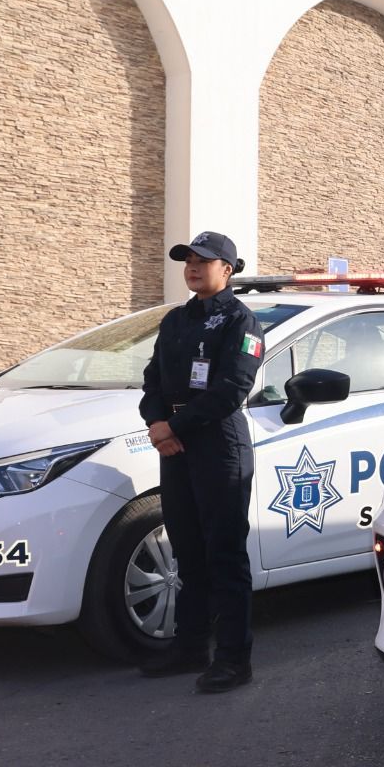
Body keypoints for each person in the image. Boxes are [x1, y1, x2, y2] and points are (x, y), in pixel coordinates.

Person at [136, 231, 264, 693]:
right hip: (176, 444)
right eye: (187, 260)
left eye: (203, 261)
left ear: (226, 270)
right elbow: (153, 380)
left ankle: (234, 659)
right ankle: (191, 647)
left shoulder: (240, 321)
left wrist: (175, 427)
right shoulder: (175, 320)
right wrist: (156, 423)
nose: (192, 267)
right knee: (187, 551)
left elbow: (233, 388)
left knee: (224, 555)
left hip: (218, 444)